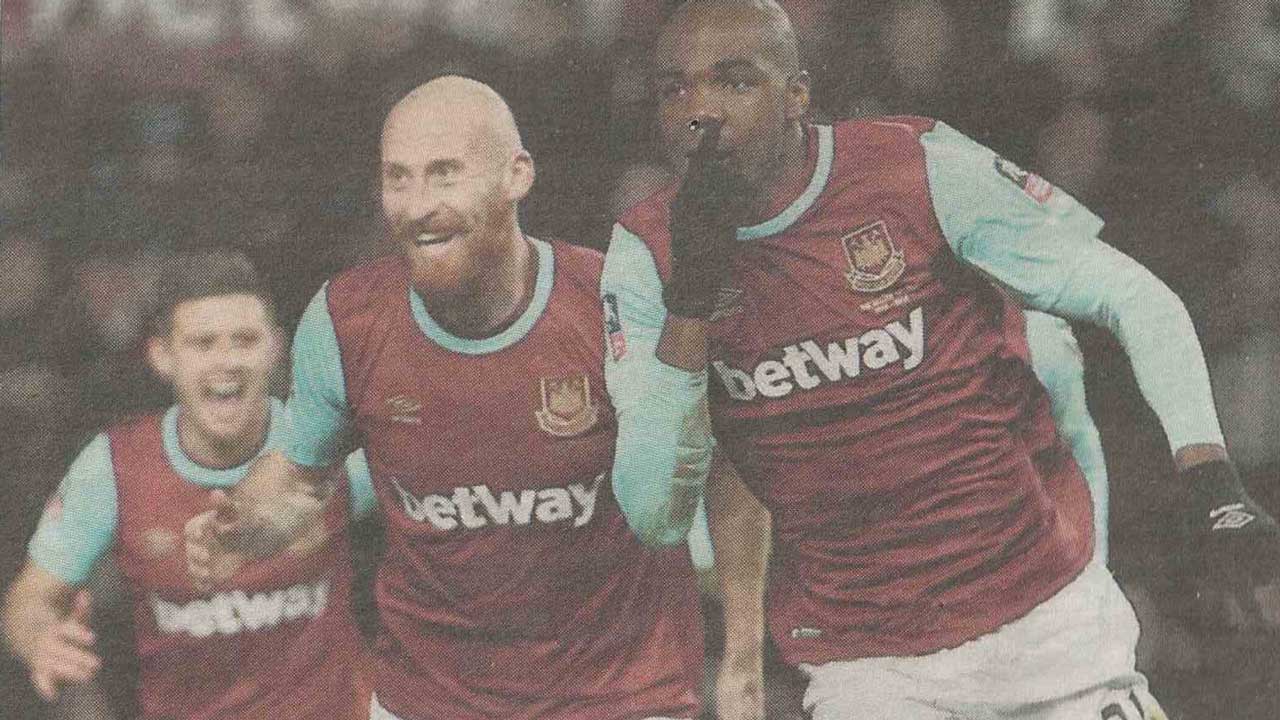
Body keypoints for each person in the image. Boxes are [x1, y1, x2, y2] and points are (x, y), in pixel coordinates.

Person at [603, 1, 1280, 718]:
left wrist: (1211, 477)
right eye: (675, 89)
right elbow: (654, 515)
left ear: (798, 93)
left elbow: (1134, 296)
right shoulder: (644, 255)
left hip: (1042, 621)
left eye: (734, 82)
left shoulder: (914, 165)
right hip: (870, 664)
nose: (701, 111)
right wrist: (689, 309)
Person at [184, 76, 706, 720]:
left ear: (517, 176)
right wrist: (242, 527)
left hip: (622, 695)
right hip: (429, 699)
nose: (416, 204)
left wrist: (740, 649)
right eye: (398, 179)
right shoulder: (345, 319)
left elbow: (700, 479)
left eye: (443, 174)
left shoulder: (612, 299)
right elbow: (299, 481)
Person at [1, 249, 376, 720]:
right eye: (203, 343)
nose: (227, 362)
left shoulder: (330, 446)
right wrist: (38, 637)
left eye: (245, 340)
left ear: (277, 347)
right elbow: (30, 596)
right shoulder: (114, 465)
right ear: (162, 356)